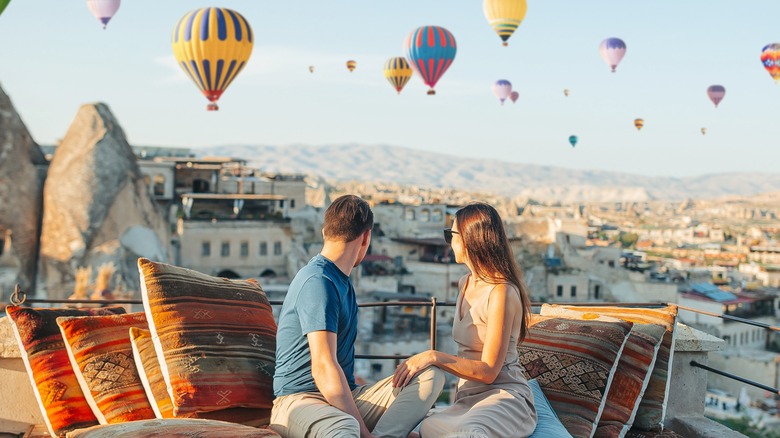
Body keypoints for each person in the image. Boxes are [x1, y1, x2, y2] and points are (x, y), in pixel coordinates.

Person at [270, 195, 445, 438]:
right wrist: (363, 432)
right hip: (300, 400)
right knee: (345, 428)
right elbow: (323, 367)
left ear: (325, 232)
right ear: (366, 237)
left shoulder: (340, 280)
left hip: (344, 397)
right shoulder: (318, 282)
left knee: (430, 375)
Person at [393, 202, 537, 438]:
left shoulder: (501, 292)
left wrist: (433, 356)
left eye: (451, 234)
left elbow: (489, 372)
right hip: (467, 399)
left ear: (470, 238)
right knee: (423, 429)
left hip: (503, 398)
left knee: (470, 433)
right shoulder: (465, 283)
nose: (448, 241)